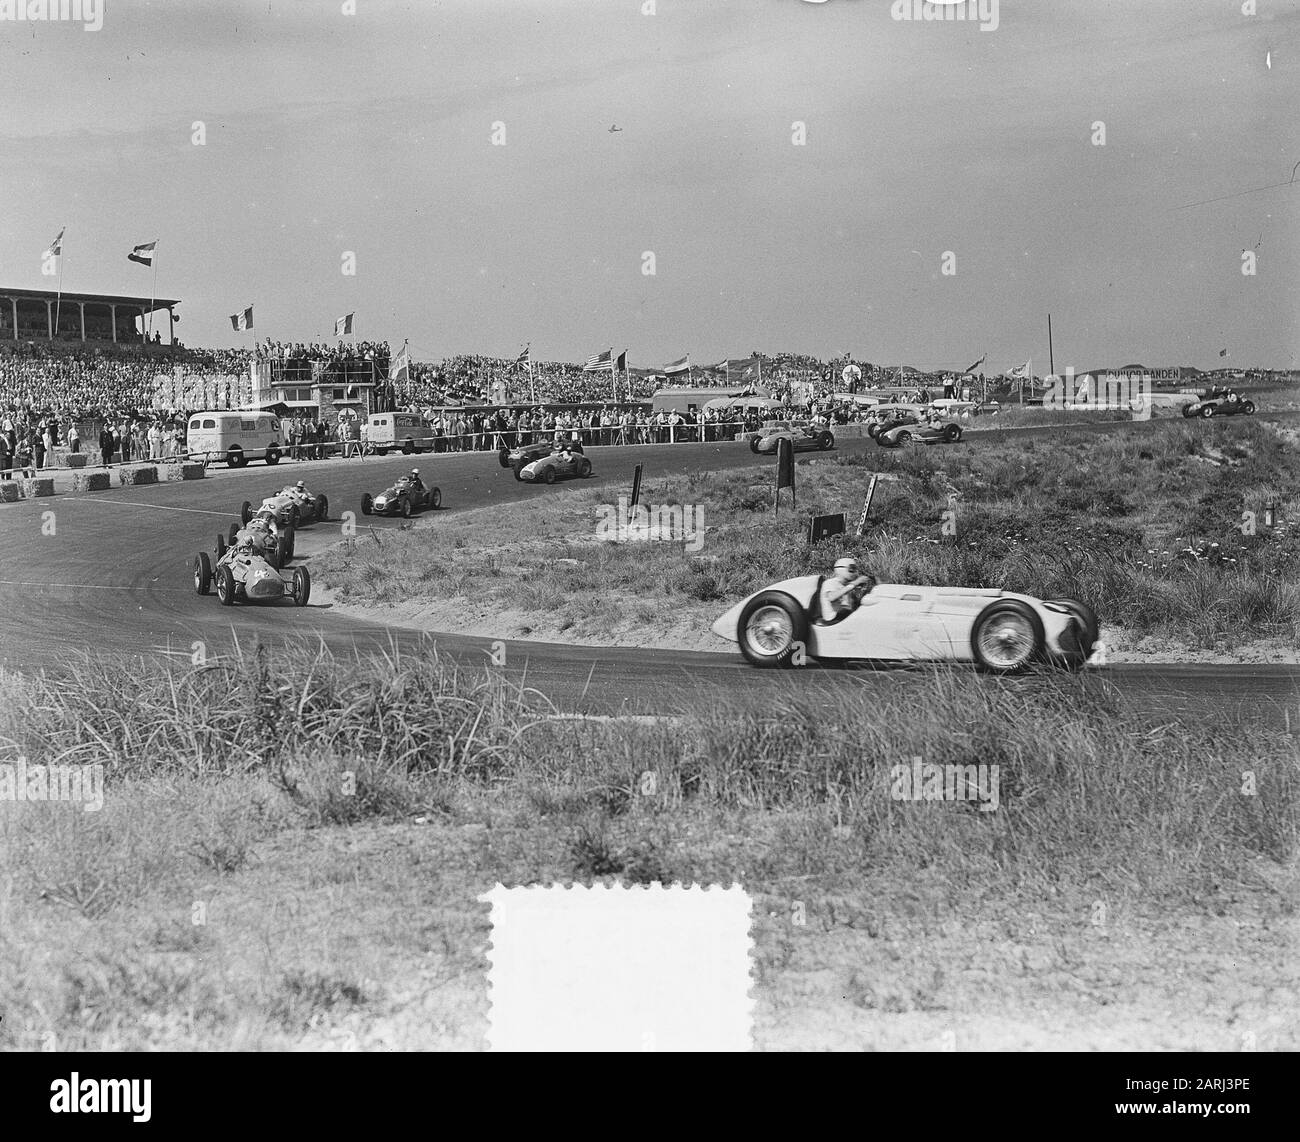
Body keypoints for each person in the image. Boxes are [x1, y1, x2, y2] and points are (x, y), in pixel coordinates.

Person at [819, 556, 874, 623]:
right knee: (847, 612)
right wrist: (854, 584)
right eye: (852, 569)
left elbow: (854, 605)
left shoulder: (846, 585)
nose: (855, 572)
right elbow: (831, 597)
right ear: (841, 569)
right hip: (833, 619)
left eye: (855, 569)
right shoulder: (830, 582)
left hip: (844, 619)